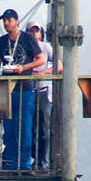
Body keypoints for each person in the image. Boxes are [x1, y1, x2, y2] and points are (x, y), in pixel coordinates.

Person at [0, 8, 44, 171]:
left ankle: (25, 163)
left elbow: (40, 59)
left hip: (25, 87)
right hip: (6, 88)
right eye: (4, 20)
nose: (6, 23)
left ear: (17, 21)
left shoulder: (28, 39)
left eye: (9, 20)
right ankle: (10, 162)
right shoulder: (1, 41)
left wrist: (24, 67)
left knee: (25, 127)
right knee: (9, 127)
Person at [26, 22, 54, 172]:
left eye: (36, 31)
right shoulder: (25, 48)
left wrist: (46, 72)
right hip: (28, 90)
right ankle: (32, 160)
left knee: (43, 128)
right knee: (30, 128)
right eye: (31, 31)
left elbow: (60, 64)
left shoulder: (46, 48)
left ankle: (42, 161)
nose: (34, 34)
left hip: (43, 90)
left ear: (41, 34)